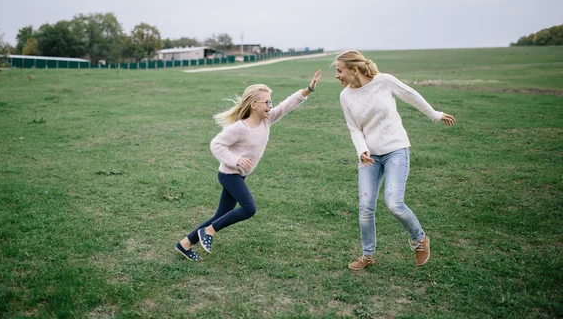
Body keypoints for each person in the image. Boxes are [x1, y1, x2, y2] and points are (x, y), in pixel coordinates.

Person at [176, 69, 323, 261]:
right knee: (249, 208)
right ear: (254, 105)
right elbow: (216, 144)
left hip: (239, 175)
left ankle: (185, 244)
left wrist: (308, 90)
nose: (271, 105)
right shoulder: (240, 127)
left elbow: (287, 105)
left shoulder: (267, 120)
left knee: (222, 214)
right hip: (229, 174)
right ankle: (209, 231)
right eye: (267, 102)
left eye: (271, 102)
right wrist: (235, 160)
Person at [333, 50, 455, 270]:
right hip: (370, 157)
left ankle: (420, 240)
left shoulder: (383, 81)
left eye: (339, 70)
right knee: (365, 206)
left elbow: (411, 95)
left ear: (354, 69)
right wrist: (361, 150)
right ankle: (367, 255)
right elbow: (354, 129)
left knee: (394, 203)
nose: (336, 76)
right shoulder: (345, 97)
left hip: (396, 150)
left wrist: (434, 114)